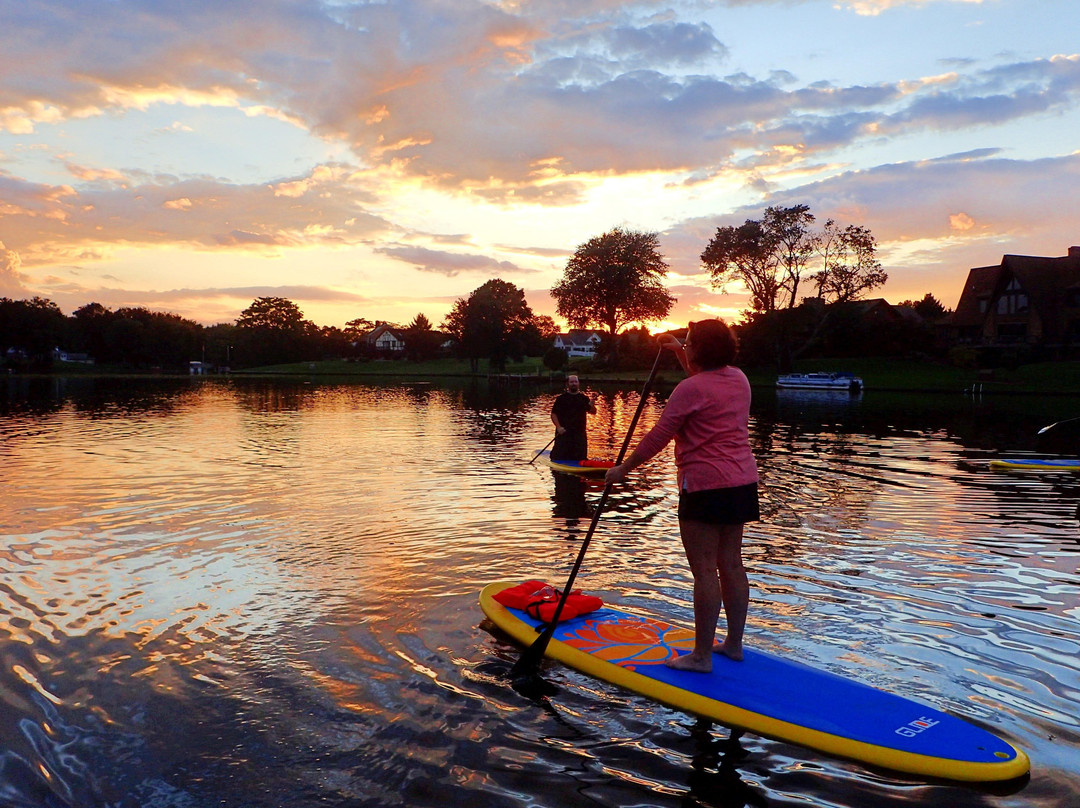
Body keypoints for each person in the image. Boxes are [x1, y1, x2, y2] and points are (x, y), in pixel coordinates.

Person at [605, 320, 759, 673]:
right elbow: (702, 381)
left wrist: (623, 469)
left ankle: (701, 657)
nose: (687, 346)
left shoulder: (689, 389)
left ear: (700, 349)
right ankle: (733, 645)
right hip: (742, 483)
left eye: (689, 342)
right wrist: (678, 350)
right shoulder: (739, 379)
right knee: (731, 565)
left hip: (705, 486)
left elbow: (659, 435)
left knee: (704, 571)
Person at [550, 374, 597, 461]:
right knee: (558, 457)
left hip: (579, 434)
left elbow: (593, 412)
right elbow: (553, 414)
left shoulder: (584, 398)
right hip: (564, 433)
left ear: (578, 383)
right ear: (567, 384)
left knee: (580, 458)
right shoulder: (561, 399)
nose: (574, 384)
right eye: (571, 382)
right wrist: (558, 427)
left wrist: (592, 405)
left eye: (576, 382)